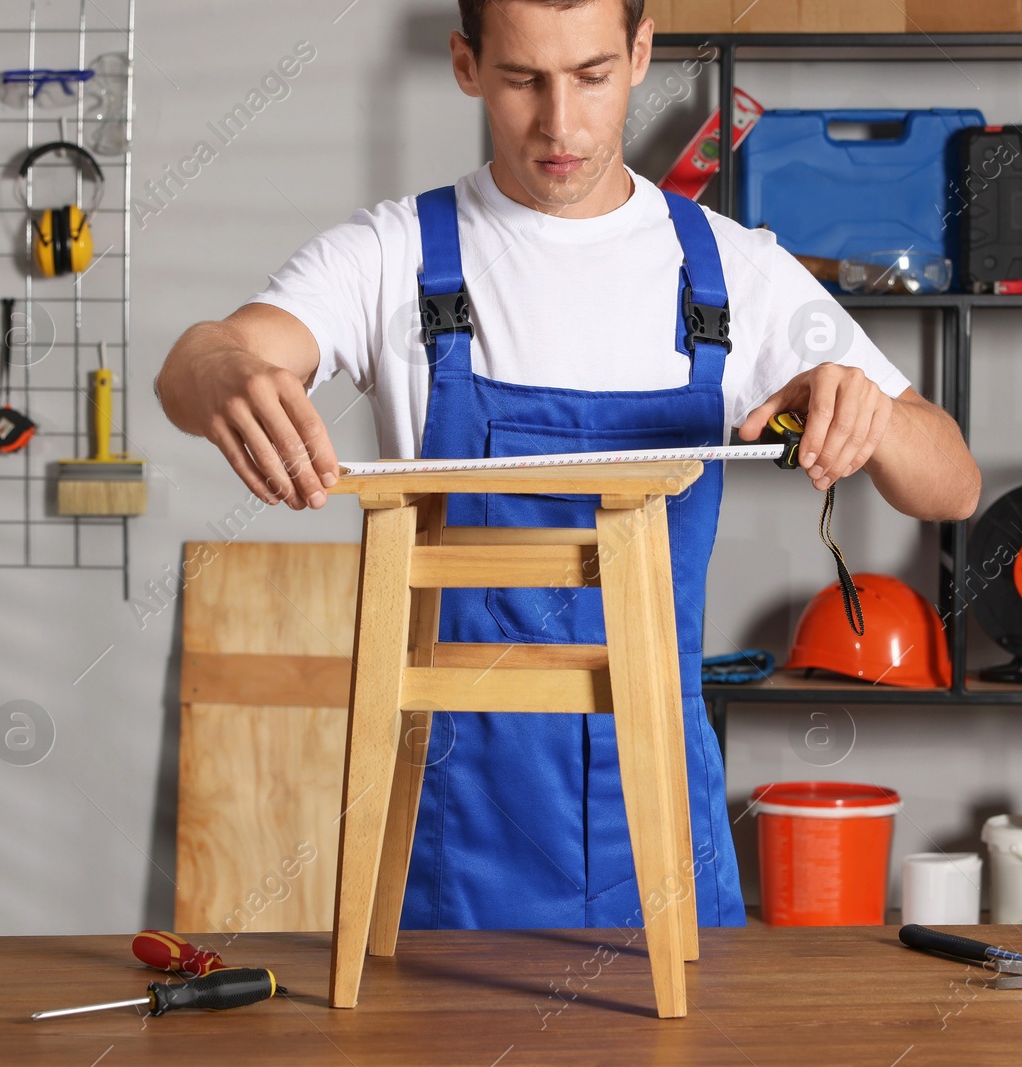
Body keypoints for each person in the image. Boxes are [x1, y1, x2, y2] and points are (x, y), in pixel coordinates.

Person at [154, 0, 980, 929]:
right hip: (449, 839)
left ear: (639, 52)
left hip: (662, 822)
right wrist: (224, 371)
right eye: (522, 79)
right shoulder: (393, 257)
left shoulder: (730, 271)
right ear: (467, 64)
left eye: (590, 77)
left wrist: (871, 412)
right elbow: (198, 360)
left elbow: (951, 481)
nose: (560, 124)